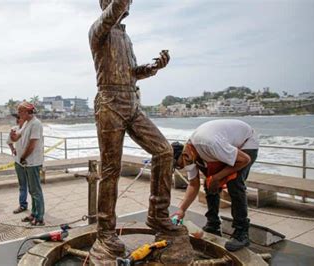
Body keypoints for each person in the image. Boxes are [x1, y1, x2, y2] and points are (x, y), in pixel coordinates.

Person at [89, 0, 192, 263]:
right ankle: (106, 232)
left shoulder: (125, 37)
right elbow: (114, 10)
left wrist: (154, 67)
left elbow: (131, 73)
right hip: (110, 103)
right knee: (111, 170)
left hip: (132, 102)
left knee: (165, 151)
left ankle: (158, 214)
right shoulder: (99, 29)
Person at [172, 119, 259, 251]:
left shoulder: (209, 145)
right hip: (223, 146)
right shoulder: (189, 155)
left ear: (184, 154)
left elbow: (244, 160)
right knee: (209, 184)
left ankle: (242, 233)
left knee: (234, 184)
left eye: (178, 165)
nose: (181, 167)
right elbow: (193, 185)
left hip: (246, 143)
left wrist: (217, 177)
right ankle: (213, 225)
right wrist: (181, 210)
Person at [11, 101, 45, 226]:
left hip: (33, 162)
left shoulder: (36, 124)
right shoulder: (26, 123)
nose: (19, 114)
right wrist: (13, 136)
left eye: (20, 111)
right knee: (32, 190)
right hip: (26, 162)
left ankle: (40, 217)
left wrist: (23, 157)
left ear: (26, 112)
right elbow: (17, 137)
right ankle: (34, 213)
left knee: (36, 190)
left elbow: (32, 145)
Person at [7, 114, 29, 214]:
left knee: (33, 187)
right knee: (22, 185)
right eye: (18, 118)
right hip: (18, 161)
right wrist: (13, 149)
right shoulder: (14, 129)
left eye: (21, 118)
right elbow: (9, 141)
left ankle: (37, 207)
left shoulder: (29, 129)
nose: (19, 119)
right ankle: (23, 205)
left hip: (30, 162)